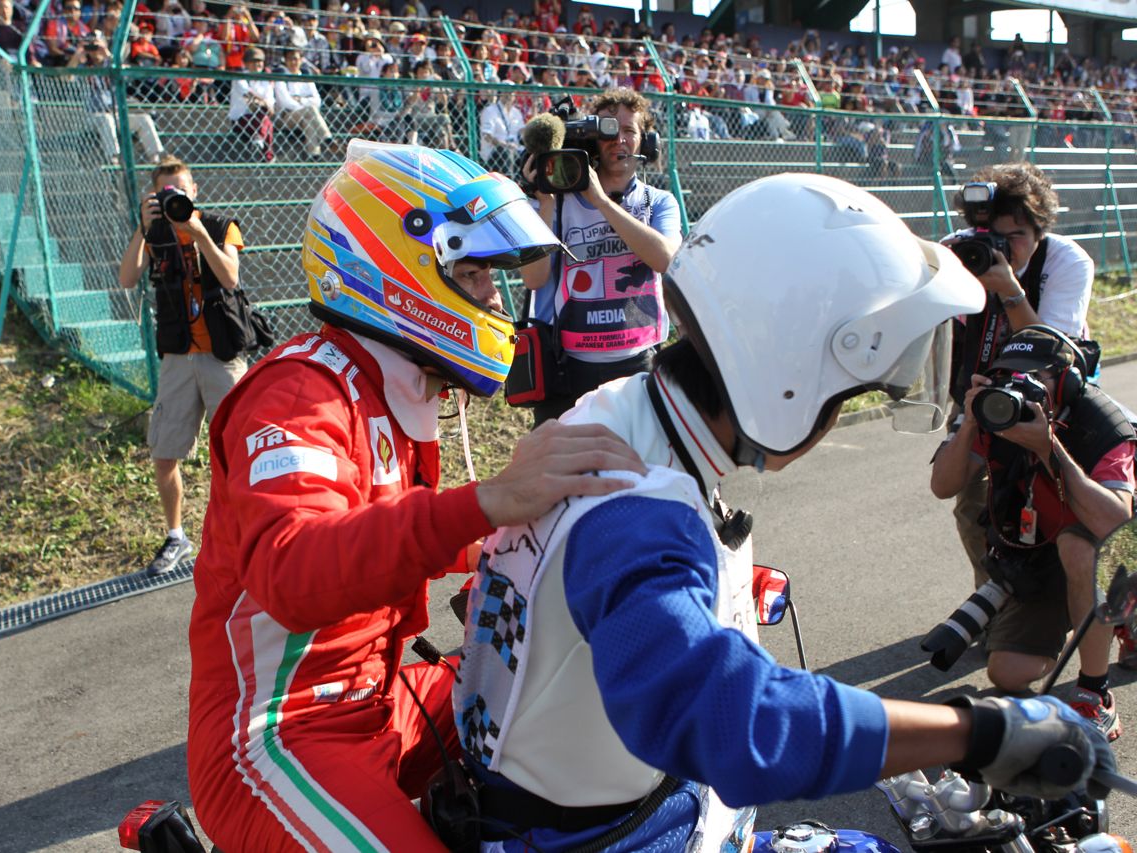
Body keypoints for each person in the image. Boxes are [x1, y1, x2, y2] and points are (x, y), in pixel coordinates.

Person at [451, 173, 1115, 851]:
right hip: (604, 834)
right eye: (845, 396)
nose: (834, 419)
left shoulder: (621, 413)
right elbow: (729, 722)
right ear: (790, 375)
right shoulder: (637, 505)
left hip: (579, 803)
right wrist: (976, 731)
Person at [186, 141, 648, 851]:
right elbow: (292, 570)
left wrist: (595, 535)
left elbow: (418, 534)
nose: (496, 297)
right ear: (400, 270)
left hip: (382, 698)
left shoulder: (395, 388)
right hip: (277, 734)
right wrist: (487, 501)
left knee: (574, 680)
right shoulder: (299, 393)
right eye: (473, 272)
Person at [932, 326, 1135, 740]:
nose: (1020, 386)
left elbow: (1115, 526)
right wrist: (970, 424)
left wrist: (1048, 448)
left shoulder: (1106, 427)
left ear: (1067, 381)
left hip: (1120, 548)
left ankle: (1096, 695)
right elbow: (943, 486)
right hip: (1045, 553)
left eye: (1036, 377)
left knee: (1079, 546)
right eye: (1010, 375)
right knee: (1007, 673)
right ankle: (1088, 614)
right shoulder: (997, 415)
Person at [942, 163, 1096, 589]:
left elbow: (1052, 350)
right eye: (989, 236)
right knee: (974, 505)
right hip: (982, 390)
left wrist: (1008, 289)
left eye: (1015, 237)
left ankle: (1071, 597)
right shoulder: (957, 254)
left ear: (1040, 232)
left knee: (1068, 502)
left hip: (1056, 394)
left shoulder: (1066, 260)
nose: (1000, 249)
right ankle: (994, 606)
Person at [117, 156, 248, 577]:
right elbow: (127, 278)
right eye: (165, 192)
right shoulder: (153, 233)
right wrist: (142, 226)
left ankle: (244, 532)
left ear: (194, 191)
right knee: (164, 452)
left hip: (221, 355)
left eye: (180, 189)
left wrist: (197, 234)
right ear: (155, 197)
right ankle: (177, 536)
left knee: (239, 449)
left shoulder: (221, 224)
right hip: (177, 357)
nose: (175, 197)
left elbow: (229, 278)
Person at [520, 88, 682, 426]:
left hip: (638, 363)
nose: (618, 140)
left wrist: (602, 202)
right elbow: (534, 280)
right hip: (571, 367)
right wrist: (546, 201)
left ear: (645, 143)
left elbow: (667, 260)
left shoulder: (658, 202)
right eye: (609, 130)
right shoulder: (558, 204)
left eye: (629, 131)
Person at [69, 33, 165, 165]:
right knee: (106, 119)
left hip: (115, 114)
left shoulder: (111, 64)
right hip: (91, 115)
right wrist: (79, 52)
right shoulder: (83, 67)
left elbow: (124, 75)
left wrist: (107, 53)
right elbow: (67, 78)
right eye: (91, 46)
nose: (94, 50)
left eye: (96, 45)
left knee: (144, 119)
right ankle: (113, 158)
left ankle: (155, 160)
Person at [273, 48, 333, 159]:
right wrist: (306, 104)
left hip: (306, 115)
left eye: (296, 59)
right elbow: (286, 102)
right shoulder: (281, 77)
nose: (293, 62)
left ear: (301, 60)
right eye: (290, 59)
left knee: (308, 119)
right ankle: (326, 137)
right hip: (285, 117)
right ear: (285, 60)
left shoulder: (305, 77)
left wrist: (300, 100)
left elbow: (317, 101)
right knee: (310, 110)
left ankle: (314, 154)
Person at [227, 48, 275, 161]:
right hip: (240, 120)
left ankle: (259, 139)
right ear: (246, 64)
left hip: (260, 118)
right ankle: (268, 154)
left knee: (266, 120)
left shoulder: (265, 81)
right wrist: (263, 102)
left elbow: (270, 106)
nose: (257, 64)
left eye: (260, 61)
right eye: (253, 61)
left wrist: (262, 102)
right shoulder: (240, 78)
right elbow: (248, 95)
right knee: (265, 121)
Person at [478, 85, 526, 176]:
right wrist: (505, 145)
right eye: (506, 92)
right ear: (500, 93)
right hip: (494, 151)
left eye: (511, 92)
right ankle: (510, 182)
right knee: (506, 151)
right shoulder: (490, 111)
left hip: (515, 148)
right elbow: (487, 136)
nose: (508, 95)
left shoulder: (516, 112)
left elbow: (521, 132)